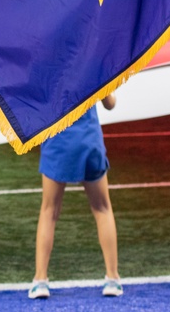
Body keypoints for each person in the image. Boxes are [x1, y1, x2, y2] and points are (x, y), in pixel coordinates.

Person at [29, 95, 121, 299]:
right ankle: (113, 278)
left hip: (58, 139)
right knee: (102, 208)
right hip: (89, 140)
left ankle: (40, 281)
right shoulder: (92, 64)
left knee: (49, 211)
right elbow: (110, 104)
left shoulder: (48, 66)